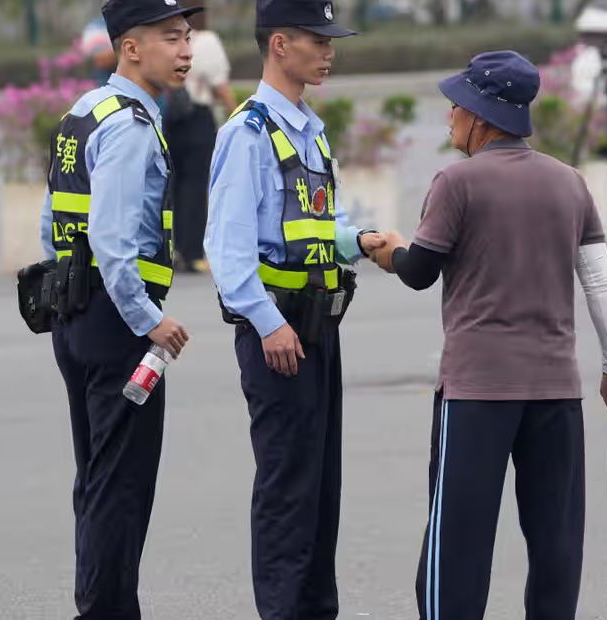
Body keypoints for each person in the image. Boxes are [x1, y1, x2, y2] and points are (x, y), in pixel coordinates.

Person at [369, 50, 607, 620]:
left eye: (456, 106)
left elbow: (419, 272)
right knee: (555, 543)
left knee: (459, 541)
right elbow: (600, 284)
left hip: (478, 394)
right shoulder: (569, 183)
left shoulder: (456, 182)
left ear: (481, 115)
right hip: (555, 393)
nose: (449, 117)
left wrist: (384, 249)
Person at [203, 1, 380, 617]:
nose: (329, 51)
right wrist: (268, 322)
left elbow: (315, 223)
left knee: (320, 486)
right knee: (286, 488)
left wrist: (360, 242)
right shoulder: (246, 133)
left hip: (318, 328)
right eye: (317, 39)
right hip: (276, 334)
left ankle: (315, 610)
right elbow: (225, 250)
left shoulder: (307, 127)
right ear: (279, 44)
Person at [37, 0, 197, 616]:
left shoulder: (84, 111)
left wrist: (63, 294)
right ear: (131, 47)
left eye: (186, 36)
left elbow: (54, 219)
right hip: (116, 324)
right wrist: (146, 317)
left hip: (73, 315)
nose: (184, 50)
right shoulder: (129, 125)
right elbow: (112, 237)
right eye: (168, 37)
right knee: (120, 487)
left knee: (98, 479)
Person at [164, 0, 235, 272]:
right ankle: (192, 253)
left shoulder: (168, 39)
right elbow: (220, 85)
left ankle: (172, 250)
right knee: (195, 187)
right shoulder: (206, 41)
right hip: (197, 118)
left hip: (169, 119)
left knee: (172, 186)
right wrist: (237, 112)